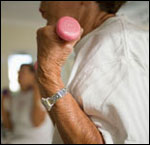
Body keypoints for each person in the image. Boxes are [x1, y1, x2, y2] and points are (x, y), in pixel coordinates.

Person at [37, 1, 149, 144]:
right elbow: (64, 129)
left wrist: (48, 72)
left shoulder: (115, 48)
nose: (40, 6)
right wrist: (45, 78)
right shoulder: (98, 45)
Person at [1, 64, 54, 144]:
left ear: (33, 76)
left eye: (23, 72)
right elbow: (9, 127)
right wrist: (2, 103)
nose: (19, 75)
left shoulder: (41, 95)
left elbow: (37, 122)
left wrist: (37, 86)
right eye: (18, 72)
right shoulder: (16, 97)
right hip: (16, 139)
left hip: (36, 141)